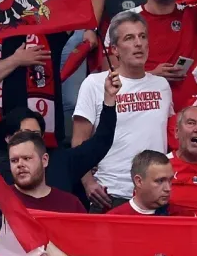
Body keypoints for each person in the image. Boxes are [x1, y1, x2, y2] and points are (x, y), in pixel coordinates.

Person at [73, 11, 173, 207]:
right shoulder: (95, 83)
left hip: (155, 197)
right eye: (129, 38)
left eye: (142, 36)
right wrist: (88, 182)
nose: (138, 43)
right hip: (110, 193)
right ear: (115, 50)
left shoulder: (162, 85)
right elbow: (79, 141)